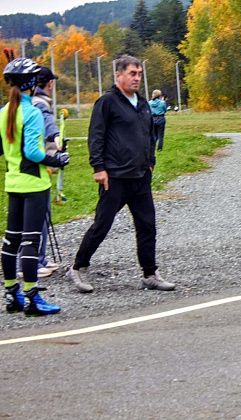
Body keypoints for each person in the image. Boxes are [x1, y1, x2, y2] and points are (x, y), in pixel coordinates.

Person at [66, 55, 175, 293]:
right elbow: (96, 136)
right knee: (102, 225)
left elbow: (149, 135)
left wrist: (150, 161)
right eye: (132, 73)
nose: (137, 78)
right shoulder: (107, 102)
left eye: (139, 74)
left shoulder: (143, 103)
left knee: (147, 225)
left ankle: (149, 274)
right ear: (118, 75)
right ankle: (78, 267)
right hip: (114, 177)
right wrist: (98, 168)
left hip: (140, 176)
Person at [1, 57, 69, 315]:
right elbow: (33, 152)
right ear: (31, 84)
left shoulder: (4, 112)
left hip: (13, 182)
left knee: (11, 240)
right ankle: (32, 298)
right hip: (34, 184)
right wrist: (57, 159)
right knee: (31, 240)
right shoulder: (32, 113)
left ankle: (12, 294)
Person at [29, 66, 63, 278]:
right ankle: (31, 262)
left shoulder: (33, 101)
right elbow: (48, 127)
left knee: (42, 215)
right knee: (38, 217)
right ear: (49, 83)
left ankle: (39, 258)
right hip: (36, 167)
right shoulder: (40, 104)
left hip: (38, 167)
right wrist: (56, 138)